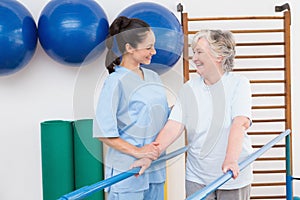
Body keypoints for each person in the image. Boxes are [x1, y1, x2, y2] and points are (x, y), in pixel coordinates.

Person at [132, 29, 253, 199]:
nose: (194, 58)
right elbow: (173, 126)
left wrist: (231, 159)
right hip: (197, 176)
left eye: (199, 52)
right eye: (194, 52)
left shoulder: (238, 84)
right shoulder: (190, 88)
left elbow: (239, 123)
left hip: (232, 176)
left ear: (219, 56)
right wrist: (150, 156)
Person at [93, 16, 169, 200]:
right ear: (129, 48)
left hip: (155, 169)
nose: (154, 51)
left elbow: (161, 117)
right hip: (127, 171)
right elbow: (103, 132)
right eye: (149, 47)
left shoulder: (153, 77)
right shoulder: (114, 82)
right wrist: (138, 152)